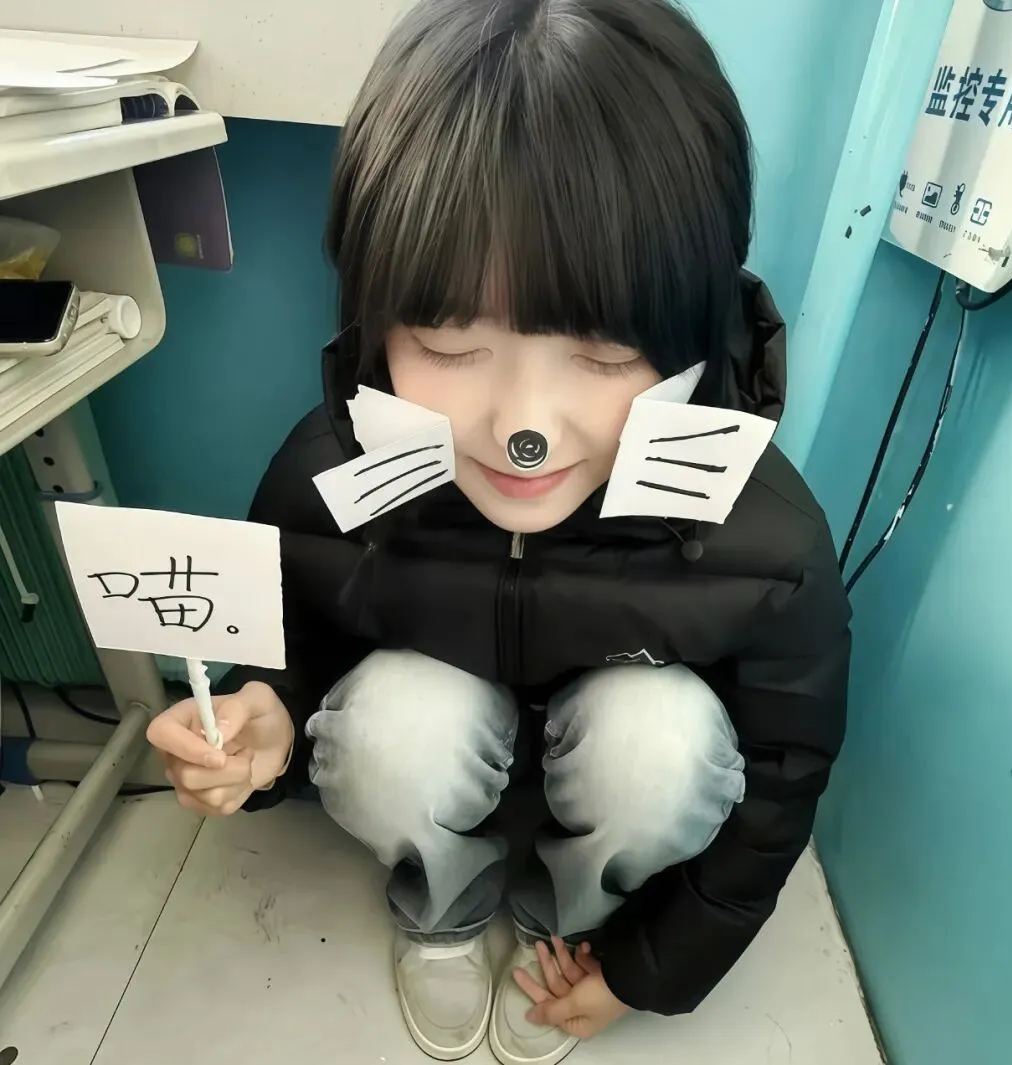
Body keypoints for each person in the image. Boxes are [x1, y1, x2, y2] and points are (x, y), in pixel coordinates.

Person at [147, 0, 851, 1062]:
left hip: (615, 761)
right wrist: (266, 722)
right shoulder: (331, 470)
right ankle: (443, 901)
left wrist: (649, 966)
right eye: (446, 340)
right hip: (439, 737)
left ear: (695, 328)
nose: (525, 428)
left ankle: (572, 918)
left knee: (661, 746)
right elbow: (289, 640)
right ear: (376, 315)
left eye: (603, 353)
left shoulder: (765, 532)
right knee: (395, 725)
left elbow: (782, 775)